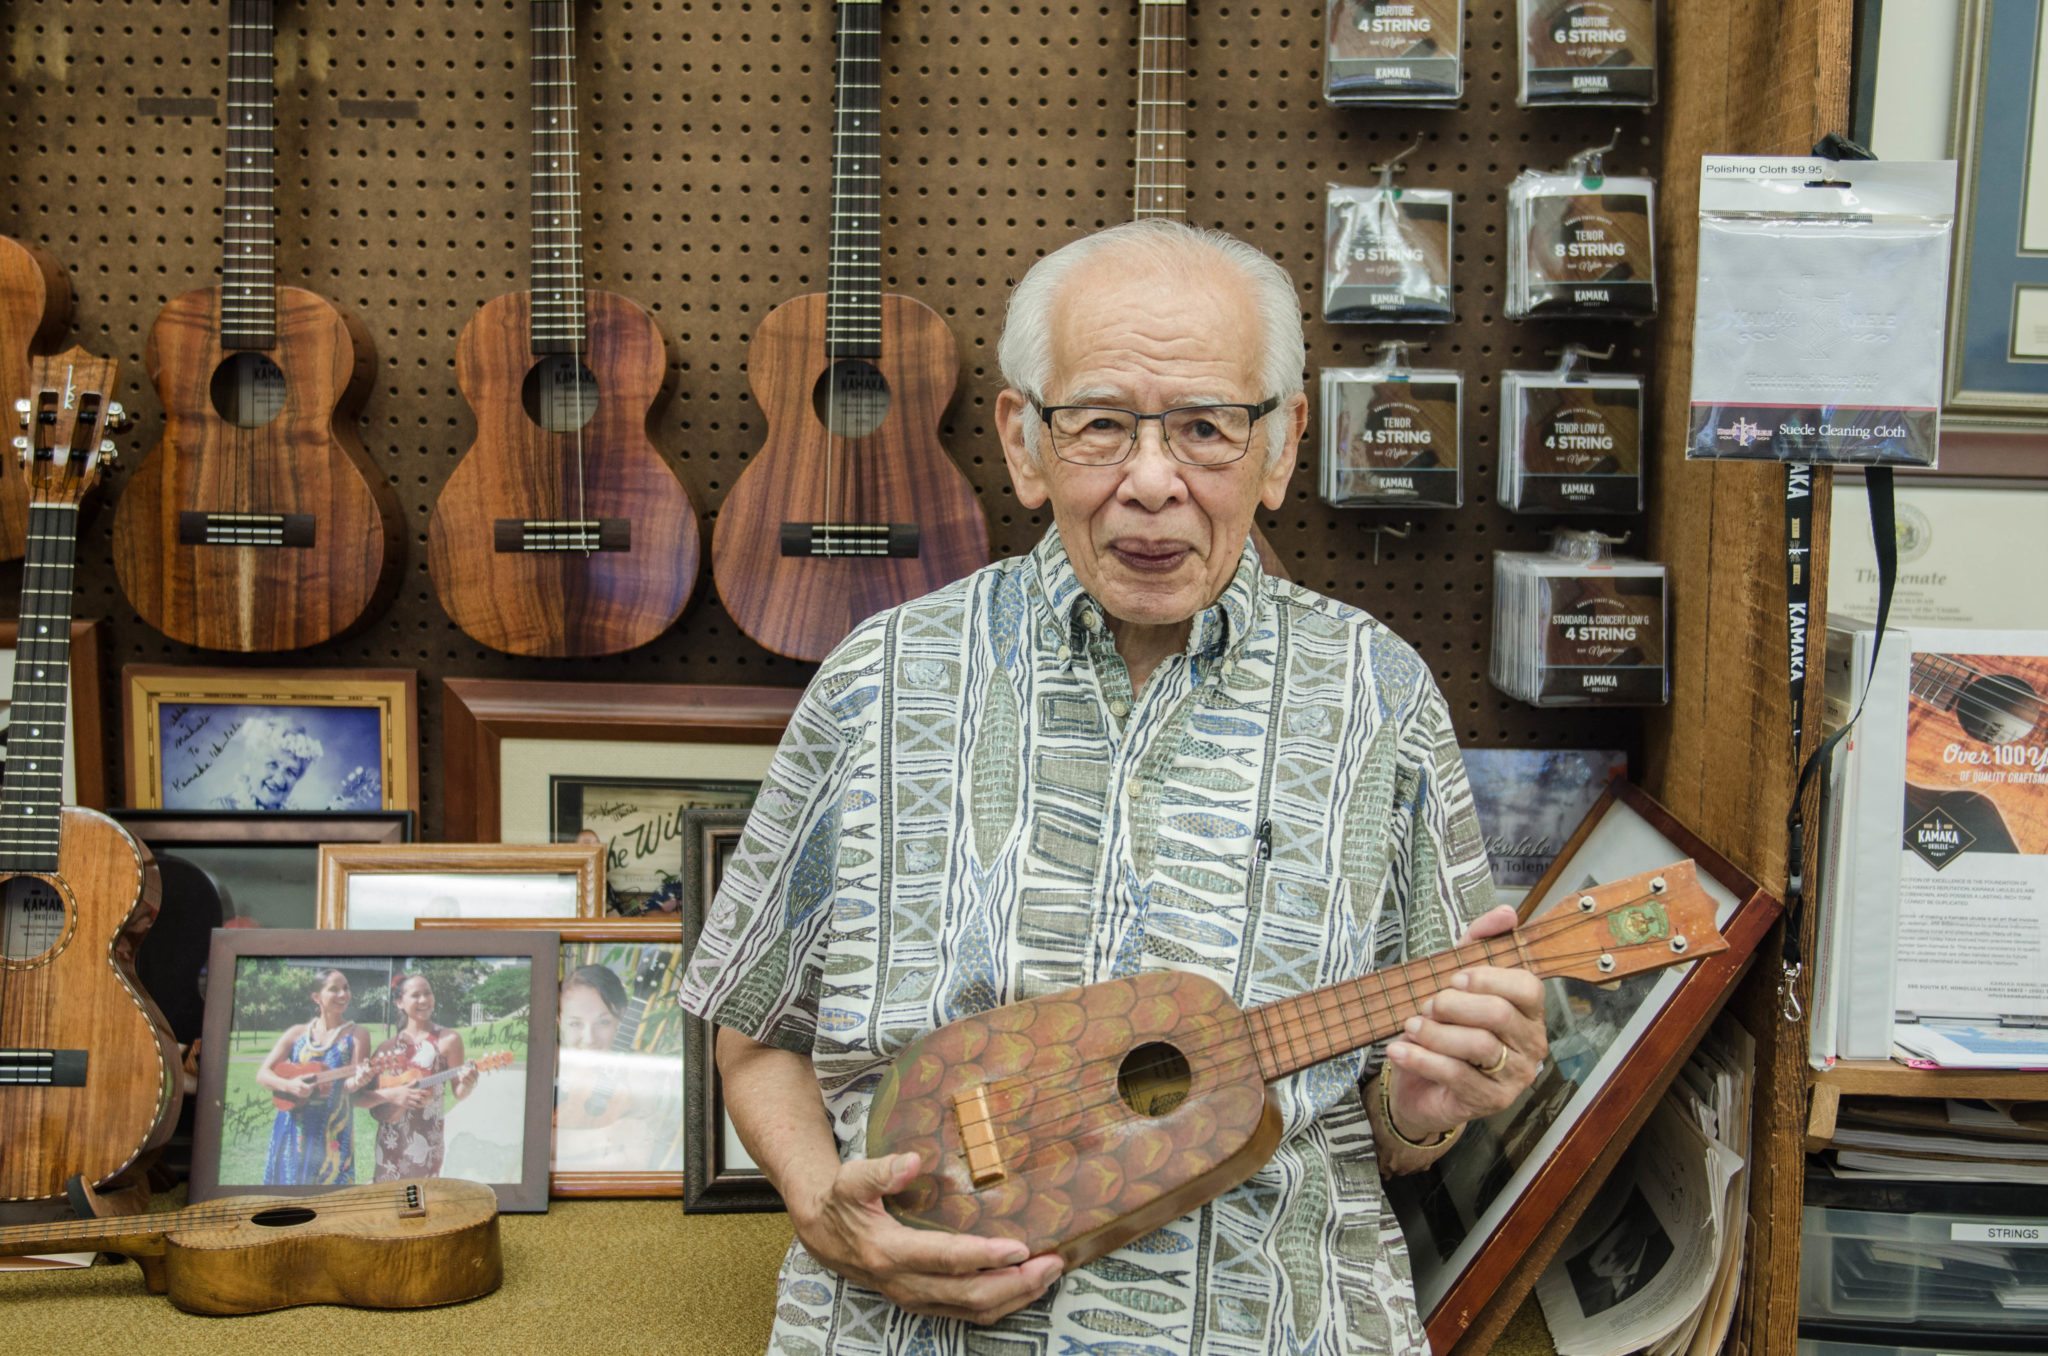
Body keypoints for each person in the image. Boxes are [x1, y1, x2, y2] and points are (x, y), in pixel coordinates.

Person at [679, 219, 1549, 1355]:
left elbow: (1395, 1117)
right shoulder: (878, 681)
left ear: (1282, 446)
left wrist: (1427, 1111)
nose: (1151, 482)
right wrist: (820, 1209)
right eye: (1098, 424)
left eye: (1205, 428)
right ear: (1023, 442)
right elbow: (752, 1031)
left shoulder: (1375, 693)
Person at [554, 959, 686, 1171]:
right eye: (575, 1023)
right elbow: (531, 1152)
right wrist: (607, 1137)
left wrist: (564, 1147)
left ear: (622, 1016)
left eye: (603, 1022)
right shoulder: (547, 1071)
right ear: (559, 1020)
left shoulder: (643, 1076)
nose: (589, 1039)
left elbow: (636, 1163)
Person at [253, 967, 373, 1185]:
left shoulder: (357, 1035)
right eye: (334, 989)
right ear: (316, 997)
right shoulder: (297, 1033)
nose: (343, 994)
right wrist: (290, 1087)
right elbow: (263, 1073)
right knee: (289, 1188)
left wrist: (360, 1079)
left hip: (334, 1126)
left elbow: (348, 1086)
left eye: (346, 988)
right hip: (294, 1124)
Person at [360, 971, 477, 1180]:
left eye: (428, 993)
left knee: (425, 1205)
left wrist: (468, 1084)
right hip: (389, 1143)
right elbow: (365, 1098)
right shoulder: (386, 1047)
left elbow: (458, 1092)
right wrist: (394, 1096)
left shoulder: (448, 1039)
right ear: (399, 1002)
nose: (424, 1000)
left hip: (426, 1145)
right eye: (416, 995)